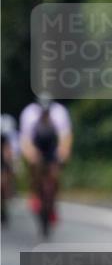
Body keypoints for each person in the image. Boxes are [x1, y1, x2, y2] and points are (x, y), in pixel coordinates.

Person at [19, 93, 73, 231]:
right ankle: (35, 193)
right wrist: (31, 155)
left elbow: (65, 137)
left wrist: (63, 153)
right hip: (36, 147)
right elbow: (25, 139)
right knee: (34, 169)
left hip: (52, 149)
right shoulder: (29, 114)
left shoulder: (59, 112)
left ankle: (53, 201)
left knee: (55, 174)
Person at [1, 113, 18, 226]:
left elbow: (10, 152)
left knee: (5, 181)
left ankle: (9, 193)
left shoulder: (9, 138)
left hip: (5, 161)